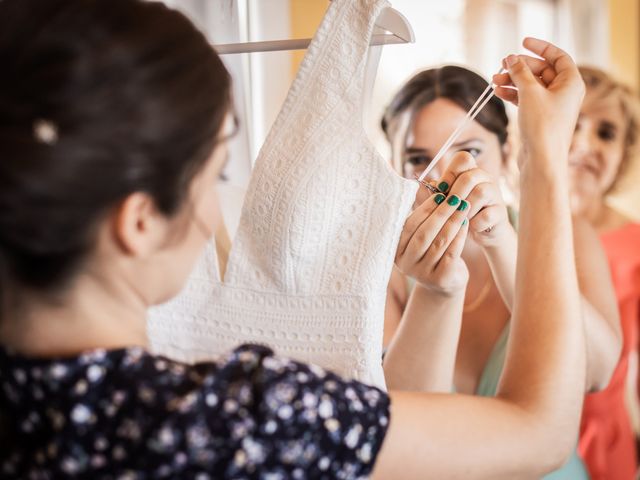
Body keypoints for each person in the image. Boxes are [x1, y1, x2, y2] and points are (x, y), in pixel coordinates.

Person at [0, 0, 588, 477]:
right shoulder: (235, 421)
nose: (213, 216)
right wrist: (545, 161)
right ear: (139, 222)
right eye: (215, 176)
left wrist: (440, 292)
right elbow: (537, 431)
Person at [381, 65, 622, 478]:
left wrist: (500, 241)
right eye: (420, 158)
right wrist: (434, 291)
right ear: (394, 166)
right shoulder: (379, 269)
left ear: (506, 152)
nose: (443, 176)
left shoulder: (565, 234)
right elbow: (403, 429)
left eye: (469, 152)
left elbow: (596, 372)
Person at [571, 66, 640, 480]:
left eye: (606, 132)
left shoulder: (636, 247)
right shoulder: (502, 230)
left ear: (624, 154)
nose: (585, 144)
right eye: (573, 123)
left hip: (604, 447)